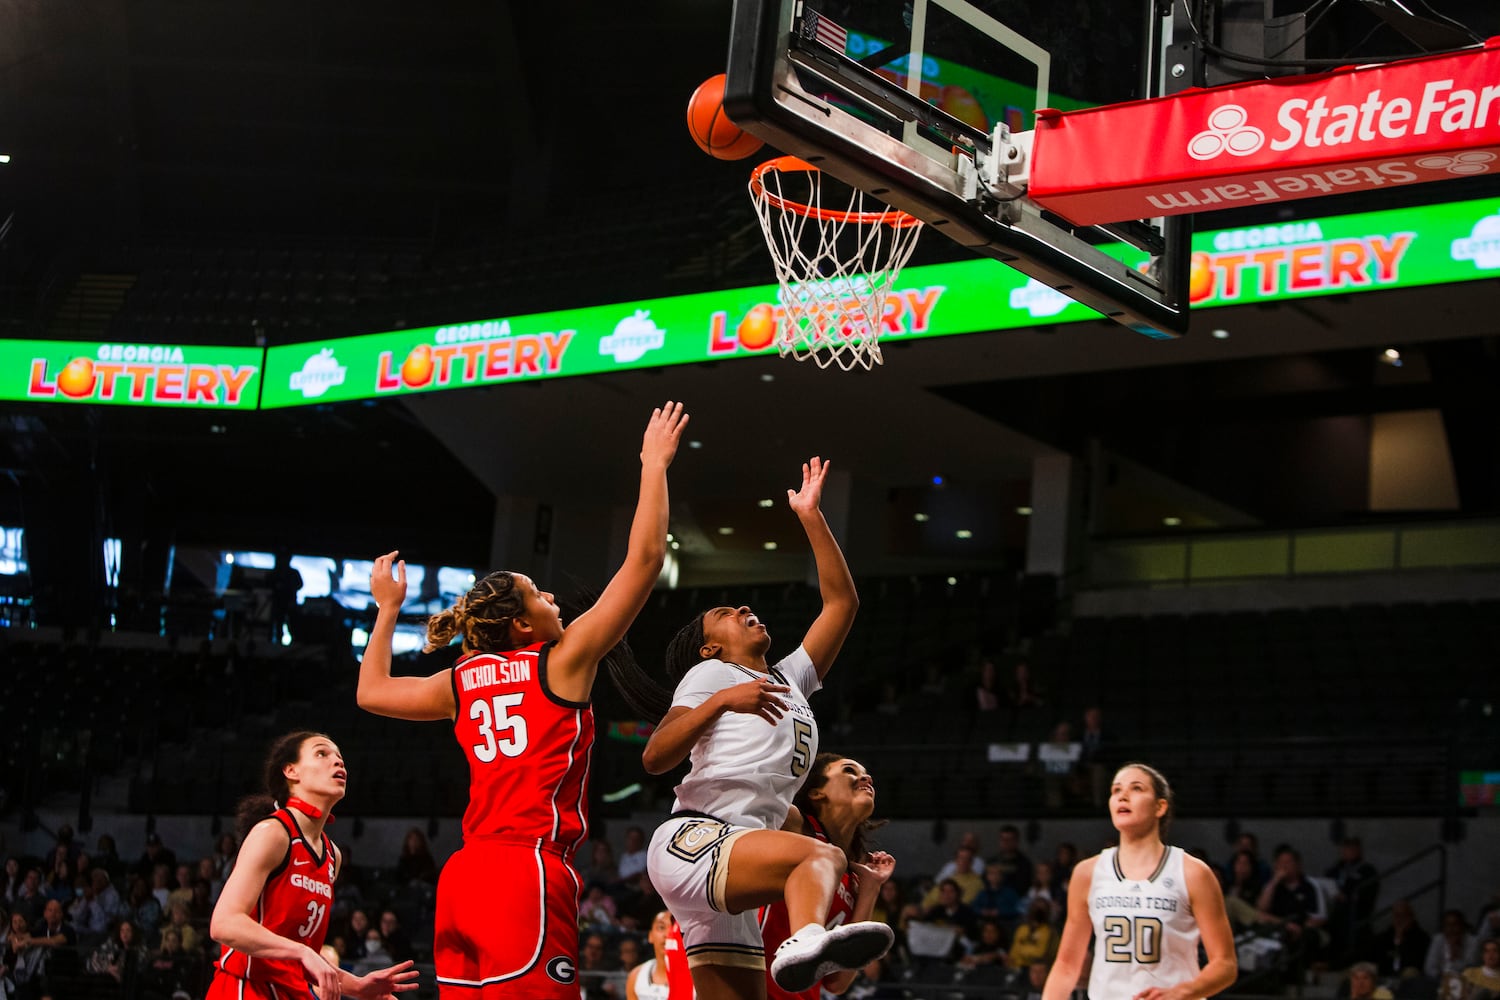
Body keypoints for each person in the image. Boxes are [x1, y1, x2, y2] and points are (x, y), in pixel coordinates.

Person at [358, 401, 687, 998]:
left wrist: (387, 611)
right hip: (525, 871)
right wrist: (653, 463)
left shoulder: (460, 680)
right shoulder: (559, 663)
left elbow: (372, 691)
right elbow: (644, 561)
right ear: (520, 627)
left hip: (461, 876)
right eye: (537, 593)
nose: (552, 595)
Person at [643, 456, 892, 1000]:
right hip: (697, 838)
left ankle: (807, 943)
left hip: (735, 851)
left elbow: (842, 603)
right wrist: (723, 700)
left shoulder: (791, 680)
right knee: (816, 856)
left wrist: (809, 516)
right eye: (728, 611)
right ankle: (807, 939)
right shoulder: (711, 672)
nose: (745, 607)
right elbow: (656, 756)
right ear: (711, 646)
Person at [205, 731, 418, 1000]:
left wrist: (357, 986)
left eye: (340, 757)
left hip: (293, 992)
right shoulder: (273, 833)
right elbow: (224, 924)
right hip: (247, 988)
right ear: (291, 771)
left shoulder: (332, 856)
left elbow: (299, 957)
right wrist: (302, 951)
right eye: (322, 753)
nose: (338, 762)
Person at [1042, 763, 1237, 1000]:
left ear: (1160, 806)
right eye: (1116, 791)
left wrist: (1182, 992)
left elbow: (1225, 965)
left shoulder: (1192, 872)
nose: (1123, 796)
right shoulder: (1087, 872)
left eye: (1136, 788)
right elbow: (1066, 966)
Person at [759, 754, 897, 1000]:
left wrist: (871, 889)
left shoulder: (855, 878)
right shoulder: (794, 825)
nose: (866, 777)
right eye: (849, 770)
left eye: (864, 773)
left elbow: (837, 983)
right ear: (816, 793)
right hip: (749, 988)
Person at [1372, 899, 1430, 978]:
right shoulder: (1385, 936)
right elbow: (1378, 957)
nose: (1400, 919)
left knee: (1410, 973)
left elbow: (1416, 962)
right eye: (1397, 915)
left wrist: (1401, 941)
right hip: (1385, 975)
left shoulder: (1421, 938)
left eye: (1403, 915)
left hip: (1407, 977)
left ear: (1411, 917)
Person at [627, 911, 677, 1000]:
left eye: (674, 928)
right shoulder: (636, 976)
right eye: (661, 927)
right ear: (650, 936)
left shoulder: (697, 977)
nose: (667, 934)